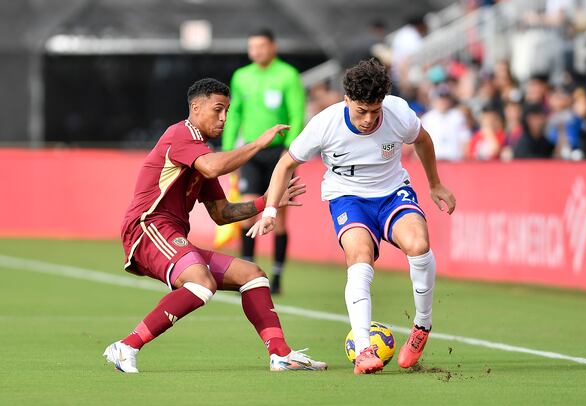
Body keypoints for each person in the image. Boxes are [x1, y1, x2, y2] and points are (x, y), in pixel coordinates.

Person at [103, 78, 326, 373]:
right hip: (147, 227)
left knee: (253, 275)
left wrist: (268, 201)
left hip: (170, 233)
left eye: (227, 111)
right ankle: (126, 346)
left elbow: (222, 213)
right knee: (201, 282)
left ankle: (280, 353)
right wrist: (258, 142)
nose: (223, 118)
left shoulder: (201, 152)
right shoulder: (179, 135)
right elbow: (213, 167)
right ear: (196, 107)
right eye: (217, 109)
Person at [247, 59, 456, 374]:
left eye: (375, 110)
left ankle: (421, 327)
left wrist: (435, 183)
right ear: (346, 100)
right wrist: (271, 210)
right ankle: (363, 350)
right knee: (359, 257)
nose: (370, 119)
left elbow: (422, 140)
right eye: (362, 111)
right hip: (348, 198)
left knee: (419, 244)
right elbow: (285, 164)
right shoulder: (325, 124)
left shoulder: (398, 113)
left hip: (391, 193)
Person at [221, 28, 305, 294]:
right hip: (250, 153)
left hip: (279, 154)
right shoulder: (241, 76)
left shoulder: (287, 75)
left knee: (278, 216)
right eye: (252, 46)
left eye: (260, 46)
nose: (255, 51)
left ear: (273, 47)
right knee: (247, 212)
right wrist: (227, 153)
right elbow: (234, 116)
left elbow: (297, 114)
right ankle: (247, 273)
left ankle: (278, 275)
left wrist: (291, 151)